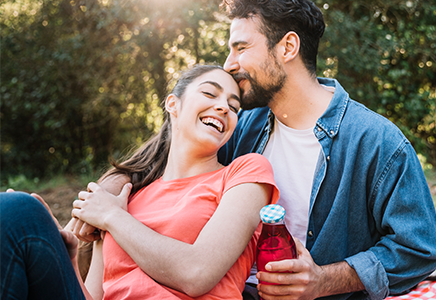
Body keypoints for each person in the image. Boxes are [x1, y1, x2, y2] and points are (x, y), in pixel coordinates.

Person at [75, 1, 436, 299]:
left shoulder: (377, 141)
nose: (229, 64)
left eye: (241, 47)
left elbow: (417, 248)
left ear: (287, 47)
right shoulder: (242, 123)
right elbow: (153, 157)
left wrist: (323, 280)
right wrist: (101, 198)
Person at [3, 64, 280, 299]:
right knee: (17, 213)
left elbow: (198, 273)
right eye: (209, 93)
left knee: (20, 211)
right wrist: (69, 256)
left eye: (233, 107)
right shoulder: (127, 195)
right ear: (173, 104)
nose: (223, 108)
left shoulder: (244, 172)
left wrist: (112, 216)